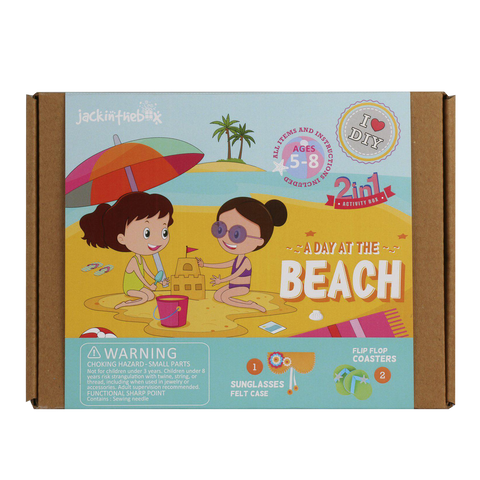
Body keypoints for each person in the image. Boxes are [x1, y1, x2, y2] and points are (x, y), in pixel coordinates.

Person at [79, 192, 173, 309]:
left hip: (139, 287)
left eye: (164, 232)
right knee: (144, 297)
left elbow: (148, 271)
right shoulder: (133, 261)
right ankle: (124, 304)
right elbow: (140, 276)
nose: (157, 239)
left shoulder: (140, 259)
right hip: (131, 288)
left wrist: (159, 281)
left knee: (150, 296)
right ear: (121, 238)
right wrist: (149, 285)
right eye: (147, 233)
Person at [197, 197, 287, 312]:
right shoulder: (237, 259)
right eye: (221, 230)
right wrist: (204, 265)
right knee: (217, 296)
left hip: (242, 287)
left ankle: (251, 305)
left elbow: (235, 275)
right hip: (232, 285)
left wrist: (221, 280)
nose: (226, 237)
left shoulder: (246, 262)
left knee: (225, 297)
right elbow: (223, 265)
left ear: (259, 241)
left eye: (236, 234)